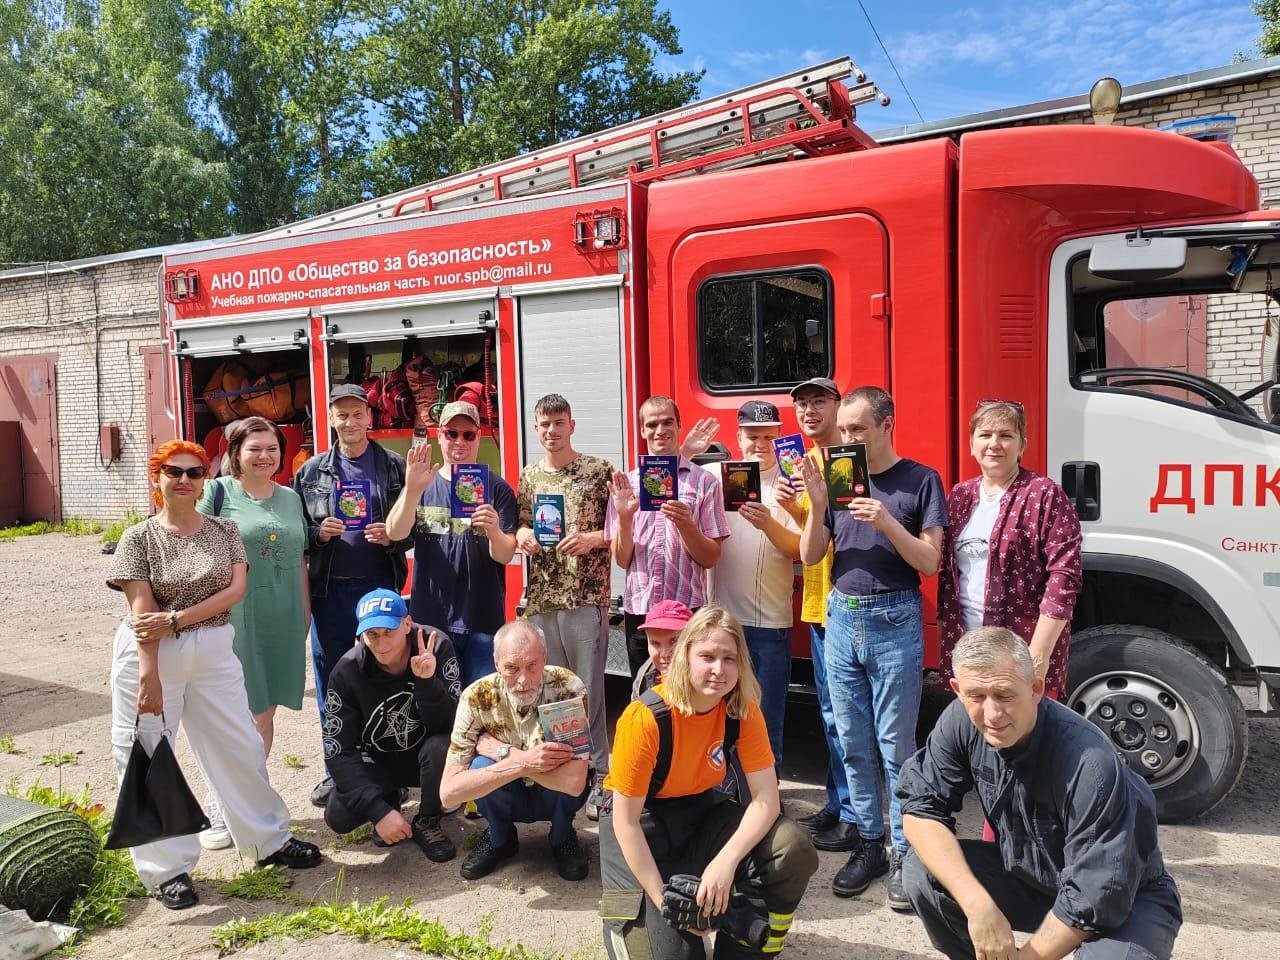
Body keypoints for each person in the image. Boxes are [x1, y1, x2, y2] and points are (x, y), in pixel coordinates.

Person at [107, 440, 322, 910]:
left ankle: (267, 839)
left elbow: (235, 589)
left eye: (194, 472)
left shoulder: (224, 531)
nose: (184, 480)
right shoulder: (138, 539)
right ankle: (167, 869)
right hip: (152, 654)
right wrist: (149, 675)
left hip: (213, 646)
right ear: (157, 478)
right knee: (149, 752)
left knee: (239, 742)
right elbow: (143, 613)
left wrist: (177, 619)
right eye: (174, 471)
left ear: (206, 479)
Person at [897, 627, 1182, 960]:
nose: (992, 714)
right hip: (1034, 878)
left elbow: (1095, 895)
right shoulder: (960, 722)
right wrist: (977, 905)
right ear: (958, 690)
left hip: (1123, 895)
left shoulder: (1090, 763)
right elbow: (920, 811)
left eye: (1004, 695)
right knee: (921, 870)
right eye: (976, 696)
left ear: (1036, 688)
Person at [796, 385, 947, 908]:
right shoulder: (840, 475)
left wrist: (885, 521)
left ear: (887, 425)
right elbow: (810, 555)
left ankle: (906, 852)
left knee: (895, 746)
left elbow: (930, 562)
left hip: (895, 617)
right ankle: (869, 843)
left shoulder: (921, 480)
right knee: (852, 743)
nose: (846, 438)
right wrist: (818, 506)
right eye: (843, 429)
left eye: (857, 429)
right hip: (841, 615)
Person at [599, 606, 818, 960]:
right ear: (685, 657)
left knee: (791, 847)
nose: (719, 669)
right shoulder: (645, 719)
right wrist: (669, 905)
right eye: (707, 657)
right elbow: (626, 823)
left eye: (729, 658)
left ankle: (743, 950)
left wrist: (725, 864)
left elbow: (766, 800)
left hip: (697, 814)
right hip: (639, 828)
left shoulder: (741, 710)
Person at [195, 416, 310, 850]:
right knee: (236, 715)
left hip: (283, 616)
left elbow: (300, 559)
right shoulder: (217, 493)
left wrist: (304, 612)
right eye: (254, 449)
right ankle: (221, 805)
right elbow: (191, 548)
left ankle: (247, 802)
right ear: (235, 454)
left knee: (264, 714)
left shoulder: (290, 497)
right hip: (235, 617)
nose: (264, 456)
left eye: (272, 448)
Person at [294, 383, 410, 808]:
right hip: (331, 593)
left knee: (383, 681)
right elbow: (295, 531)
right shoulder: (311, 472)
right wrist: (317, 533)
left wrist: (393, 537)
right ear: (331, 419)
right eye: (342, 414)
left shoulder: (393, 466)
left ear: (369, 417)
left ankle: (388, 771)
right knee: (332, 682)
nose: (350, 422)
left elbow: (414, 526)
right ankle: (336, 771)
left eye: (358, 413)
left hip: (378, 591)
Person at [937, 400, 1082, 700]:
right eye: (985, 435)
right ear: (971, 445)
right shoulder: (960, 495)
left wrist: (1037, 657)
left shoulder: (1044, 494)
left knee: (1026, 727)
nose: (994, 444)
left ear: (1022, 445)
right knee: (977, 726)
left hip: (1022, 651)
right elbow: (947, 577)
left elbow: (1064, 578)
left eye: (1005, 435)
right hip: (968, 649)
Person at [515, 393, 615, 819]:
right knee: (554, 693)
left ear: (572, 425)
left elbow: (624, 526)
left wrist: (593, 539)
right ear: (535, 429)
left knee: (588, 691)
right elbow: (521, 523)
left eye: (559, 423)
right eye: (544, 424)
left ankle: (602, 776)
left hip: (585, 596)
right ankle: (566, 774)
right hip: (543, 597)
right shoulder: (529, 475)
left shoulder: (599, 470)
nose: (551, 431)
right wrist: (522, 536)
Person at [439, 620, 591, 882]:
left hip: (553, 792)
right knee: (479, 767)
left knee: (569, 766)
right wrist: (525, 763)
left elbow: (575, 783)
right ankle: (500, 838)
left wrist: (504, 753)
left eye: (532, 666)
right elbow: (449, 793)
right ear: (496, 663)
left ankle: (562, 836)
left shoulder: (567, 689)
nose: (523, 680)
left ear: (545, 658)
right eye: (511, 668)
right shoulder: (475, 697)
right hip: (508, 792)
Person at [772, 378, 852, 854]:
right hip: (818, 602)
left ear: (838, 406)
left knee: (848, 718)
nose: (808, 411)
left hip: (845, 604)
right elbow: (814, 536)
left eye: (818, 401)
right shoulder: (803, 464)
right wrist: (791, 507)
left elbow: (848, 532)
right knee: (830, 714)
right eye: (802, 404)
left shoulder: (846, 462)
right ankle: (837, 804)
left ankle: (855, 814)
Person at [322, 588, 461, 862]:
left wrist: (426, 683)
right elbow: (338, 750)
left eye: (389, 631)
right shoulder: (346, 670)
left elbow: (451, 727)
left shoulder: (435, 647)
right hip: (378, 759)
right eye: (372, 634)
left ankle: (428, 819)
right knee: (337, 816)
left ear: (407, 624)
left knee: (442, 747)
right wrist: (379, 811)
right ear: (361, 635)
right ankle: (389, 799)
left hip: (426, 753)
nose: (381, 643)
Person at [386, 400, 518, 685]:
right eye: (451, 433)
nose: (460, 442)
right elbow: (395, 532)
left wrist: (494, 530)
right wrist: (412, 490)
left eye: (468, 435)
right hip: (431, 620)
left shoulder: (497, 489)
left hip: (483, 621)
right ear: (439, 435)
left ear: (478, 437)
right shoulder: (422, 483)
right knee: (437, 702)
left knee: (480, 704)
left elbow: (505, 554)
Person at [606, 395, 730, 678]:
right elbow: (622, 560)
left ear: (679, 426)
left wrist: (686, 525)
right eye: (652, 424)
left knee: (689, 691)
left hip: (687, 611)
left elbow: (711, 558)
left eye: (667, 422)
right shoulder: (627, 485)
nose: (660, 430)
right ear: (642, 430)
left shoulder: (704, 482)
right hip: (641, 612)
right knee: (645, 694)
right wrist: (625, 518)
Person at [712, 400, 801, 763]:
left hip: (771, 625)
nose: (760, 444)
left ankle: (767, 791)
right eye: (752, 436)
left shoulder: (791, 483)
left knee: (765, 723)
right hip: (723, 622)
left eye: (768, 437)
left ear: (780, 437)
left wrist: (768, 522)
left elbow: (800, 549)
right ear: (738, 438)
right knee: (720, 721)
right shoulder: (716, 475)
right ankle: (723, 788)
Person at [630, 599, 694, 699]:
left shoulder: (711, 680)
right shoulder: (643, 678)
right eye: (655, 643)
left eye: (674, 641)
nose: (665, 654)